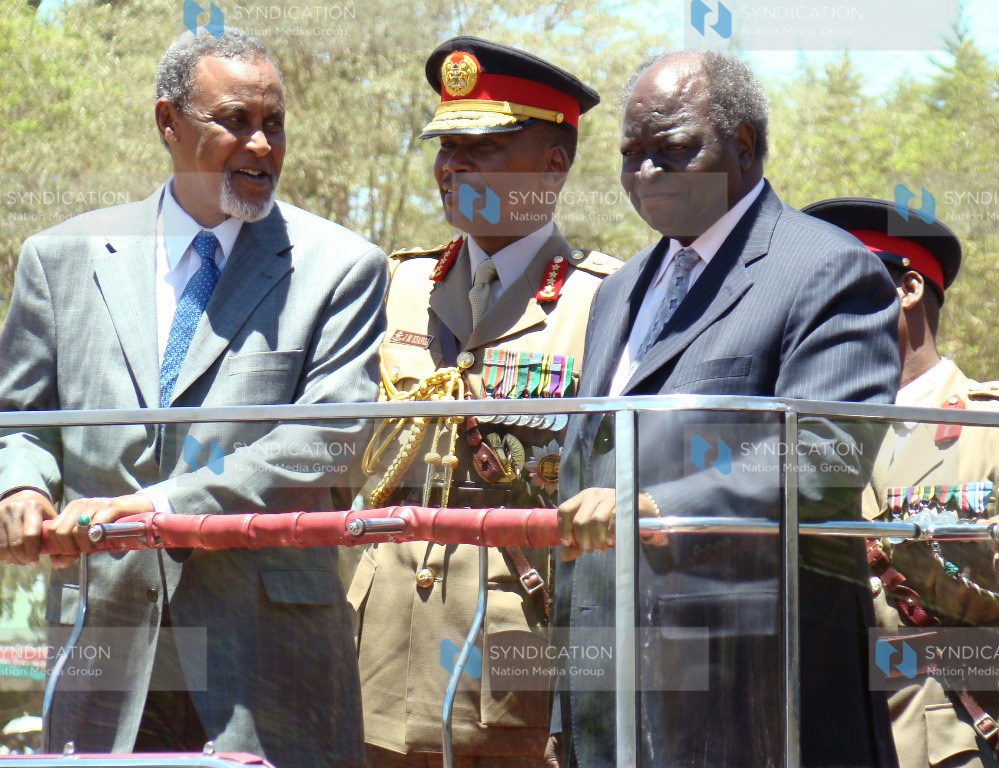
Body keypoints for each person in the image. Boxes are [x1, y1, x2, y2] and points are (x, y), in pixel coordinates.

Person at [0, 28, 386, 767]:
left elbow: (329, 438)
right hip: (105, 648)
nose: (262, 145)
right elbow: (21, 422)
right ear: (167, 123)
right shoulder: (59, 260)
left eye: (274, 123)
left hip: (268, 664)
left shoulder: (342, 268)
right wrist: (21, 485)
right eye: (235, 121)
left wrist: (160, 507)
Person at [550, 51, 901, 768]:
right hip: (613, 706)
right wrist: (570, 705)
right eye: (631, 154)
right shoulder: (617, 292)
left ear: (742, 146)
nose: (647, 171)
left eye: (673, 148)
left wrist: (662, 506)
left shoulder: (826, 270)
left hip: (754, 706)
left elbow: (826, 454)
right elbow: (590, 470)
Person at [346, 37, 619, 768]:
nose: (453, 166)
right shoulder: (395, 286)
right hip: (378, 652)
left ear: (553, 165)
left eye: (483, 147)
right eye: (447, 146)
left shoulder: (606, 302)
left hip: (515, 655)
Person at [803, 196, 999, 768]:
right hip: (814, 732)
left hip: (953, 741)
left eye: (837, 289)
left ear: (907, 289)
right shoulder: (800, 436)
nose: (816, 310)